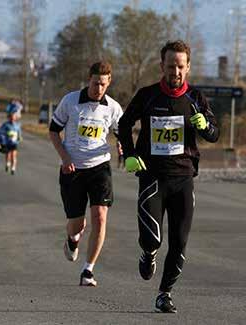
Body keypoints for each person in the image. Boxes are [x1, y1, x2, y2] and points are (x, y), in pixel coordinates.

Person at [118, 40, 220, 313]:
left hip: (183, 178)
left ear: (188, 68)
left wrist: (205, 126)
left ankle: (165, 293)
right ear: (162, 66)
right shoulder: (148, 95)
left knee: (179, 241)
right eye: (170, 66)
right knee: (153, 239)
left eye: (180, 66)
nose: (175, 71)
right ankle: (148, 253)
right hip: (152, 176)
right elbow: (124, 124)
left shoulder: (196, 98)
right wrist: (128, 153)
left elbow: (214, 133)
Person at [49, 61, 123, 286]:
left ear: (108, 82)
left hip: (100, 167)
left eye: (103, 84)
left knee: (100, 217)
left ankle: (88, 270)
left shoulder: (113, 107)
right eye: (94, 83)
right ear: (88, 80)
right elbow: (53, 131)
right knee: (77, 224)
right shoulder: (70, 101)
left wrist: (123, 145)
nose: (98, 88)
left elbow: (122, 132)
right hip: (73, 169)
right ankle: (72, 240)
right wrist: (65, 158)